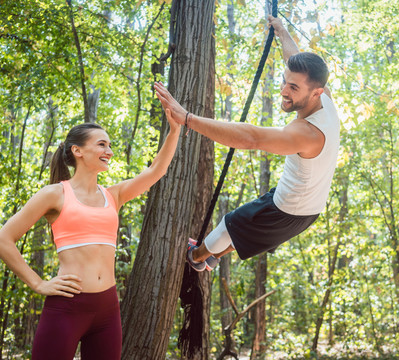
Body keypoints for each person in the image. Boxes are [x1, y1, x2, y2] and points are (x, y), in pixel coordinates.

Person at [154, 15, 340, 272]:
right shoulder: (325, 98)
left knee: (231, 224)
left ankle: (196, 257)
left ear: (315, 92)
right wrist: (283, 32)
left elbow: (251, 137)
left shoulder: (307, 133)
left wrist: (187, 118)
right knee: (248, 232)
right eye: (285, 81)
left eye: (293, 88)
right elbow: (294, 59)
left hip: (288, 209)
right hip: (308, 206)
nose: (284, 91)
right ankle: (214, 255)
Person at [0, 108, 181, 359]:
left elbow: (155, 172)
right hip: (66, 307)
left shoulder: (113, 195)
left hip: (107, 310)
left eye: (110, 145)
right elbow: (4, 239)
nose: (109, 151)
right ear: (78, 151)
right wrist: (38, 283)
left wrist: (174, 130)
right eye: (102, 144)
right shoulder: (54, 194)